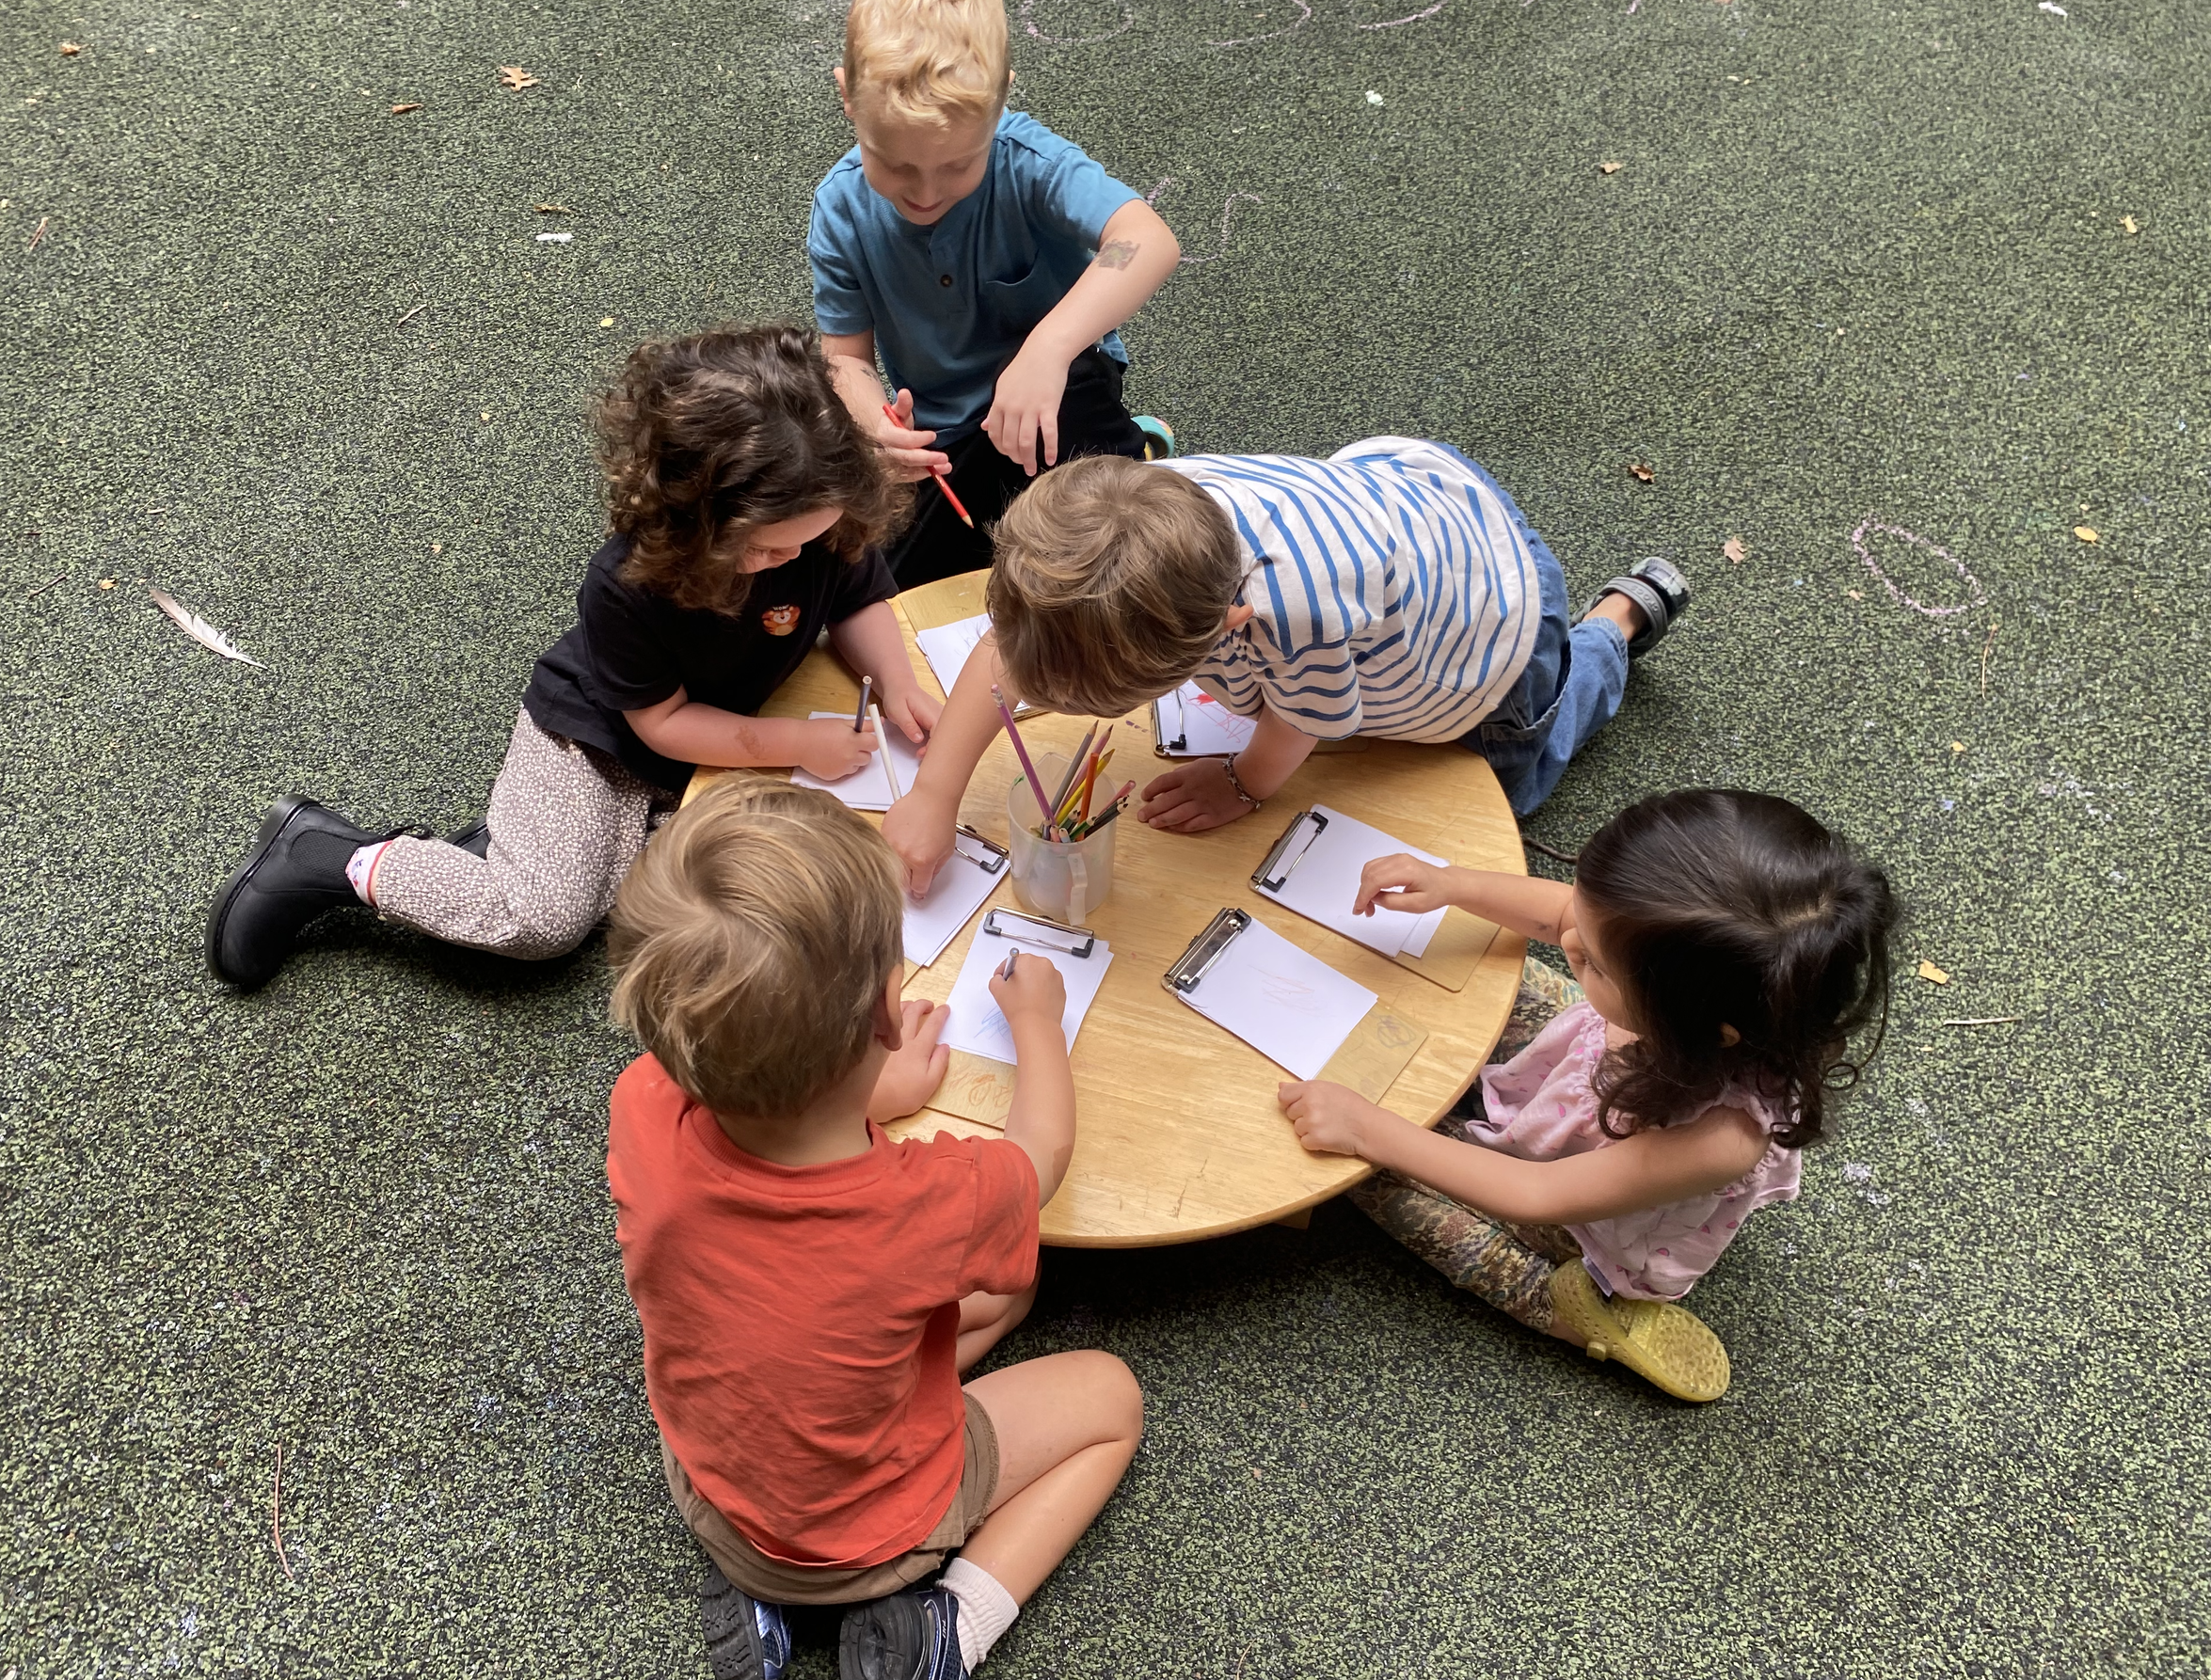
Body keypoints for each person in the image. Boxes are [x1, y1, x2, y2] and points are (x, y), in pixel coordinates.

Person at [205, 325, 941, 991]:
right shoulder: (628, 582)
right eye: (765, 547)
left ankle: (512, 847)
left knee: (701, 909)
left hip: (707, 750)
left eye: (804, 544)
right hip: (599, 742)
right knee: (544, 925)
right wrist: (797, 742)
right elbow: (662, 723)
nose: (787, 559)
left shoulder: (813, 511)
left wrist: (899, 683)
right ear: (689, 511)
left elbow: (856, 597)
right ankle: (328, 856)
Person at [605, 777, 1142, 1680]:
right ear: (891, 1014)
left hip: (716, 1487)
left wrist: (866, 1088)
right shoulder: (934, 1205)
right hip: (882, 1526)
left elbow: (768, 1136)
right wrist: (1038, 1024)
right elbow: (1038, 1151)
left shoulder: (642, 1104)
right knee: (1108, 1395)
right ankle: (945, 1629)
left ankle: (754, 1593)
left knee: (995, 1302)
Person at [1278, 788, 1899, 1402]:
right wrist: (1451, 883)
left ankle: (1574, 1316)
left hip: (1584, 1223)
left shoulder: (1724, 1138)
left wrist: (1369, 1131)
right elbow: (1563, 917)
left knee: (1373, 1181)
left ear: (1696, 1028)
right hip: (1593, 1084)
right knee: (1503, 985)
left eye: (1596, 962)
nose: (1569, 940)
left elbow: (1536, 1194)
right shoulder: (1694, 988)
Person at [881, 439, 1690, 895]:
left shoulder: (1296, 613)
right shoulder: (1128, 520)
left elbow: (1307, 714)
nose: (1026, 690)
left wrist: (1244, 782)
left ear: (1229, 628)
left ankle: (1610, 631)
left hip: (1489, 631)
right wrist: (933, 792)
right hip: (1419, 506)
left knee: (1510, 776)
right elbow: (1008, 648)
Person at [812, 0, 1181, 589]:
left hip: (1057, 392)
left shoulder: (1027, 162)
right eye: (896, 164)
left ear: (1001, 101)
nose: (924, 192)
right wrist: (875, 422)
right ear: (848, 98)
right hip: (942, 437)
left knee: (1118, 560)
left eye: (956, 165)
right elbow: (845, 358)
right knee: (883, 586)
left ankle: (1130, 446)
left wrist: (1048, 348)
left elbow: (1145, 238)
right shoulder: (840, 208)